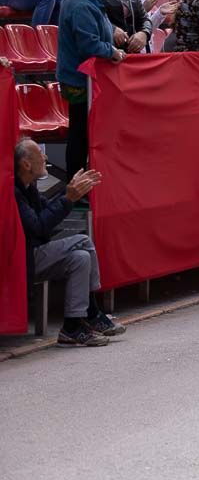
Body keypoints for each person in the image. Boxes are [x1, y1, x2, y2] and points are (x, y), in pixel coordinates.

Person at [15, 140, 125, 346]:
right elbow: (38, 226)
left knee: (80, 258)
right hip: (23, 259)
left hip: (36, 255)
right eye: (40, 153)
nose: (45, 158)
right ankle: (92, 312)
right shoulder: (15, 192)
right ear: (26, 164)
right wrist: (68, 198)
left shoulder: (30, 188)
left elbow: (50, 210)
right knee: (83, 241)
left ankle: (72, 326)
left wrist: (70, 193)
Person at [56, 0, 128, 178]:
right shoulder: (79, 5)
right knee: (80, 133)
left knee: (85, 132)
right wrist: (112, 52)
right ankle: (76, 184)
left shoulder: (89, 0)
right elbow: (88, 44)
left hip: (87, 78)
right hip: (79, 80)